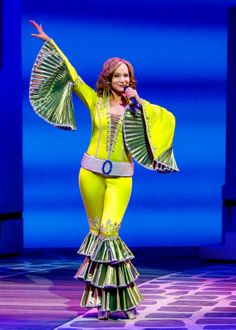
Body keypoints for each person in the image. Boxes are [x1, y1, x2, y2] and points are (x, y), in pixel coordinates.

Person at [29, 20, 179, 320]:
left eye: (128, 76)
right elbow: (71, 74)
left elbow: (167, 119)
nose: (124, 80)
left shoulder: (139, 107)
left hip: (121, 177)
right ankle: (104, 302)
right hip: (91, 174)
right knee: (97, 234)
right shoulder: (94, 100)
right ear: (108, 78)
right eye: (119, 75)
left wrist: (140, 103)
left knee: (110, 232)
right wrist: (50, 42)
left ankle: (123, 299)